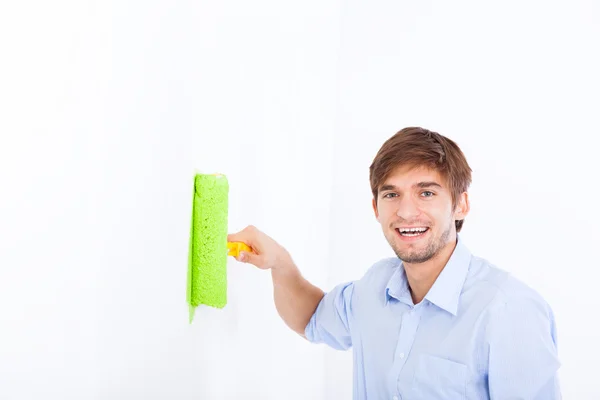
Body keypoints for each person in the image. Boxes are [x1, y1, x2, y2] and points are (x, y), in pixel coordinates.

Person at [228, 127, 561, 400]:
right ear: (376, 208)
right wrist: (280, 262)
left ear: (461, 205)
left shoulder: (510, 312)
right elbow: (312, 318)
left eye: (426, 193)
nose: (405, 211)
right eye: (391, 194)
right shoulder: (375, 287)